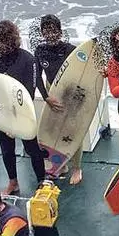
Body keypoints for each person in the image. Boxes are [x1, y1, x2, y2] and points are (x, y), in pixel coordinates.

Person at [0, 20, 45, 195]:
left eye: (0, 40)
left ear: (10, 39)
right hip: (1, 113)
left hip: (22, 112)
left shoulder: (28, 60)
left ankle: (42, 182)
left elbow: (29, 93)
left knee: (32, 149)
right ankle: (13, 183)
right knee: (7, 150)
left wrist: (15, 124)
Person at [33, 14, 83, 185]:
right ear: (42, 33)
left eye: (54, 30)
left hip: (71, 94)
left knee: (72, 131)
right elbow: (37, 76)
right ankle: (62, 165)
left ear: (60, 32)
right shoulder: (40, 51)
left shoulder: (71, 50)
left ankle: (77, 168)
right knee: (56, 131)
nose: (50, 34)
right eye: (46, 31)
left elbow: (83, 73)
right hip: (52, 93)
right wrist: (46, 97)